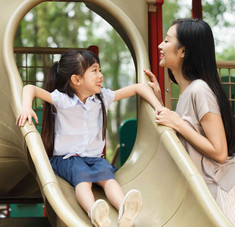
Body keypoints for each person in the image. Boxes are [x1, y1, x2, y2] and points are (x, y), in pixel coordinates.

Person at [16, 50, 162, 227]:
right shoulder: (62, 100)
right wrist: (26, 107)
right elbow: (29, 88)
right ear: (76, 80)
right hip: (67, 159)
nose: (100, 75)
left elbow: (138, 87)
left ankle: (124, 210)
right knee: (83, 178)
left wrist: (158, 106)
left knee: (108, 178)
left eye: (99, 70)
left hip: (94, 158)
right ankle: (93, 211)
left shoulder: (102, 98)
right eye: (94, 71)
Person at [145, 18, 235, 226]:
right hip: (209, 193)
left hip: (223, 195)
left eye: (167, 41)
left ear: (183, 52)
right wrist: (159, 101)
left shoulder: (200, 90)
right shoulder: (188, 93)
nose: (160, 46)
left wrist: (178, 123)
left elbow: (219, 151)